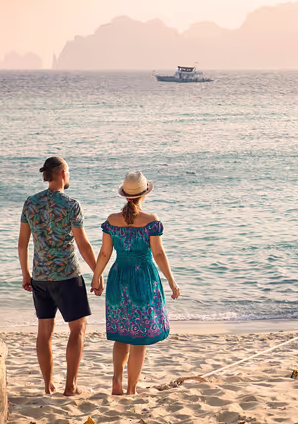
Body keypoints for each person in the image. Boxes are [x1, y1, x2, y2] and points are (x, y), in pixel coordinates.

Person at [90, 171, 181, 396]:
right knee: (139, 338)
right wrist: (171, 281)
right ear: (144, 194)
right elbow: (158, 254)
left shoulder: (111, 220)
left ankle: (117, 382)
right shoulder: (151, 221)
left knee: (121, 334)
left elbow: (104, 253)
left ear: (125, 195)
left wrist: (96, 277)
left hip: (118, 277)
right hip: (143, 278)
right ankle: (131, 389)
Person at [17, 156, 98, 396]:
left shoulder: (30, 203)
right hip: (67, 275)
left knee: (44, 332)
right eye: (68, 172)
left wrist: (26, 274)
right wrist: (98, 273)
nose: (69, 176)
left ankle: (48, 385)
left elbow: (23, 243)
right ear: (62, 173)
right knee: (78, 329)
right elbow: (83, 244)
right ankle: (70, 387)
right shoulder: (71, 204)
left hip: (40, 277)